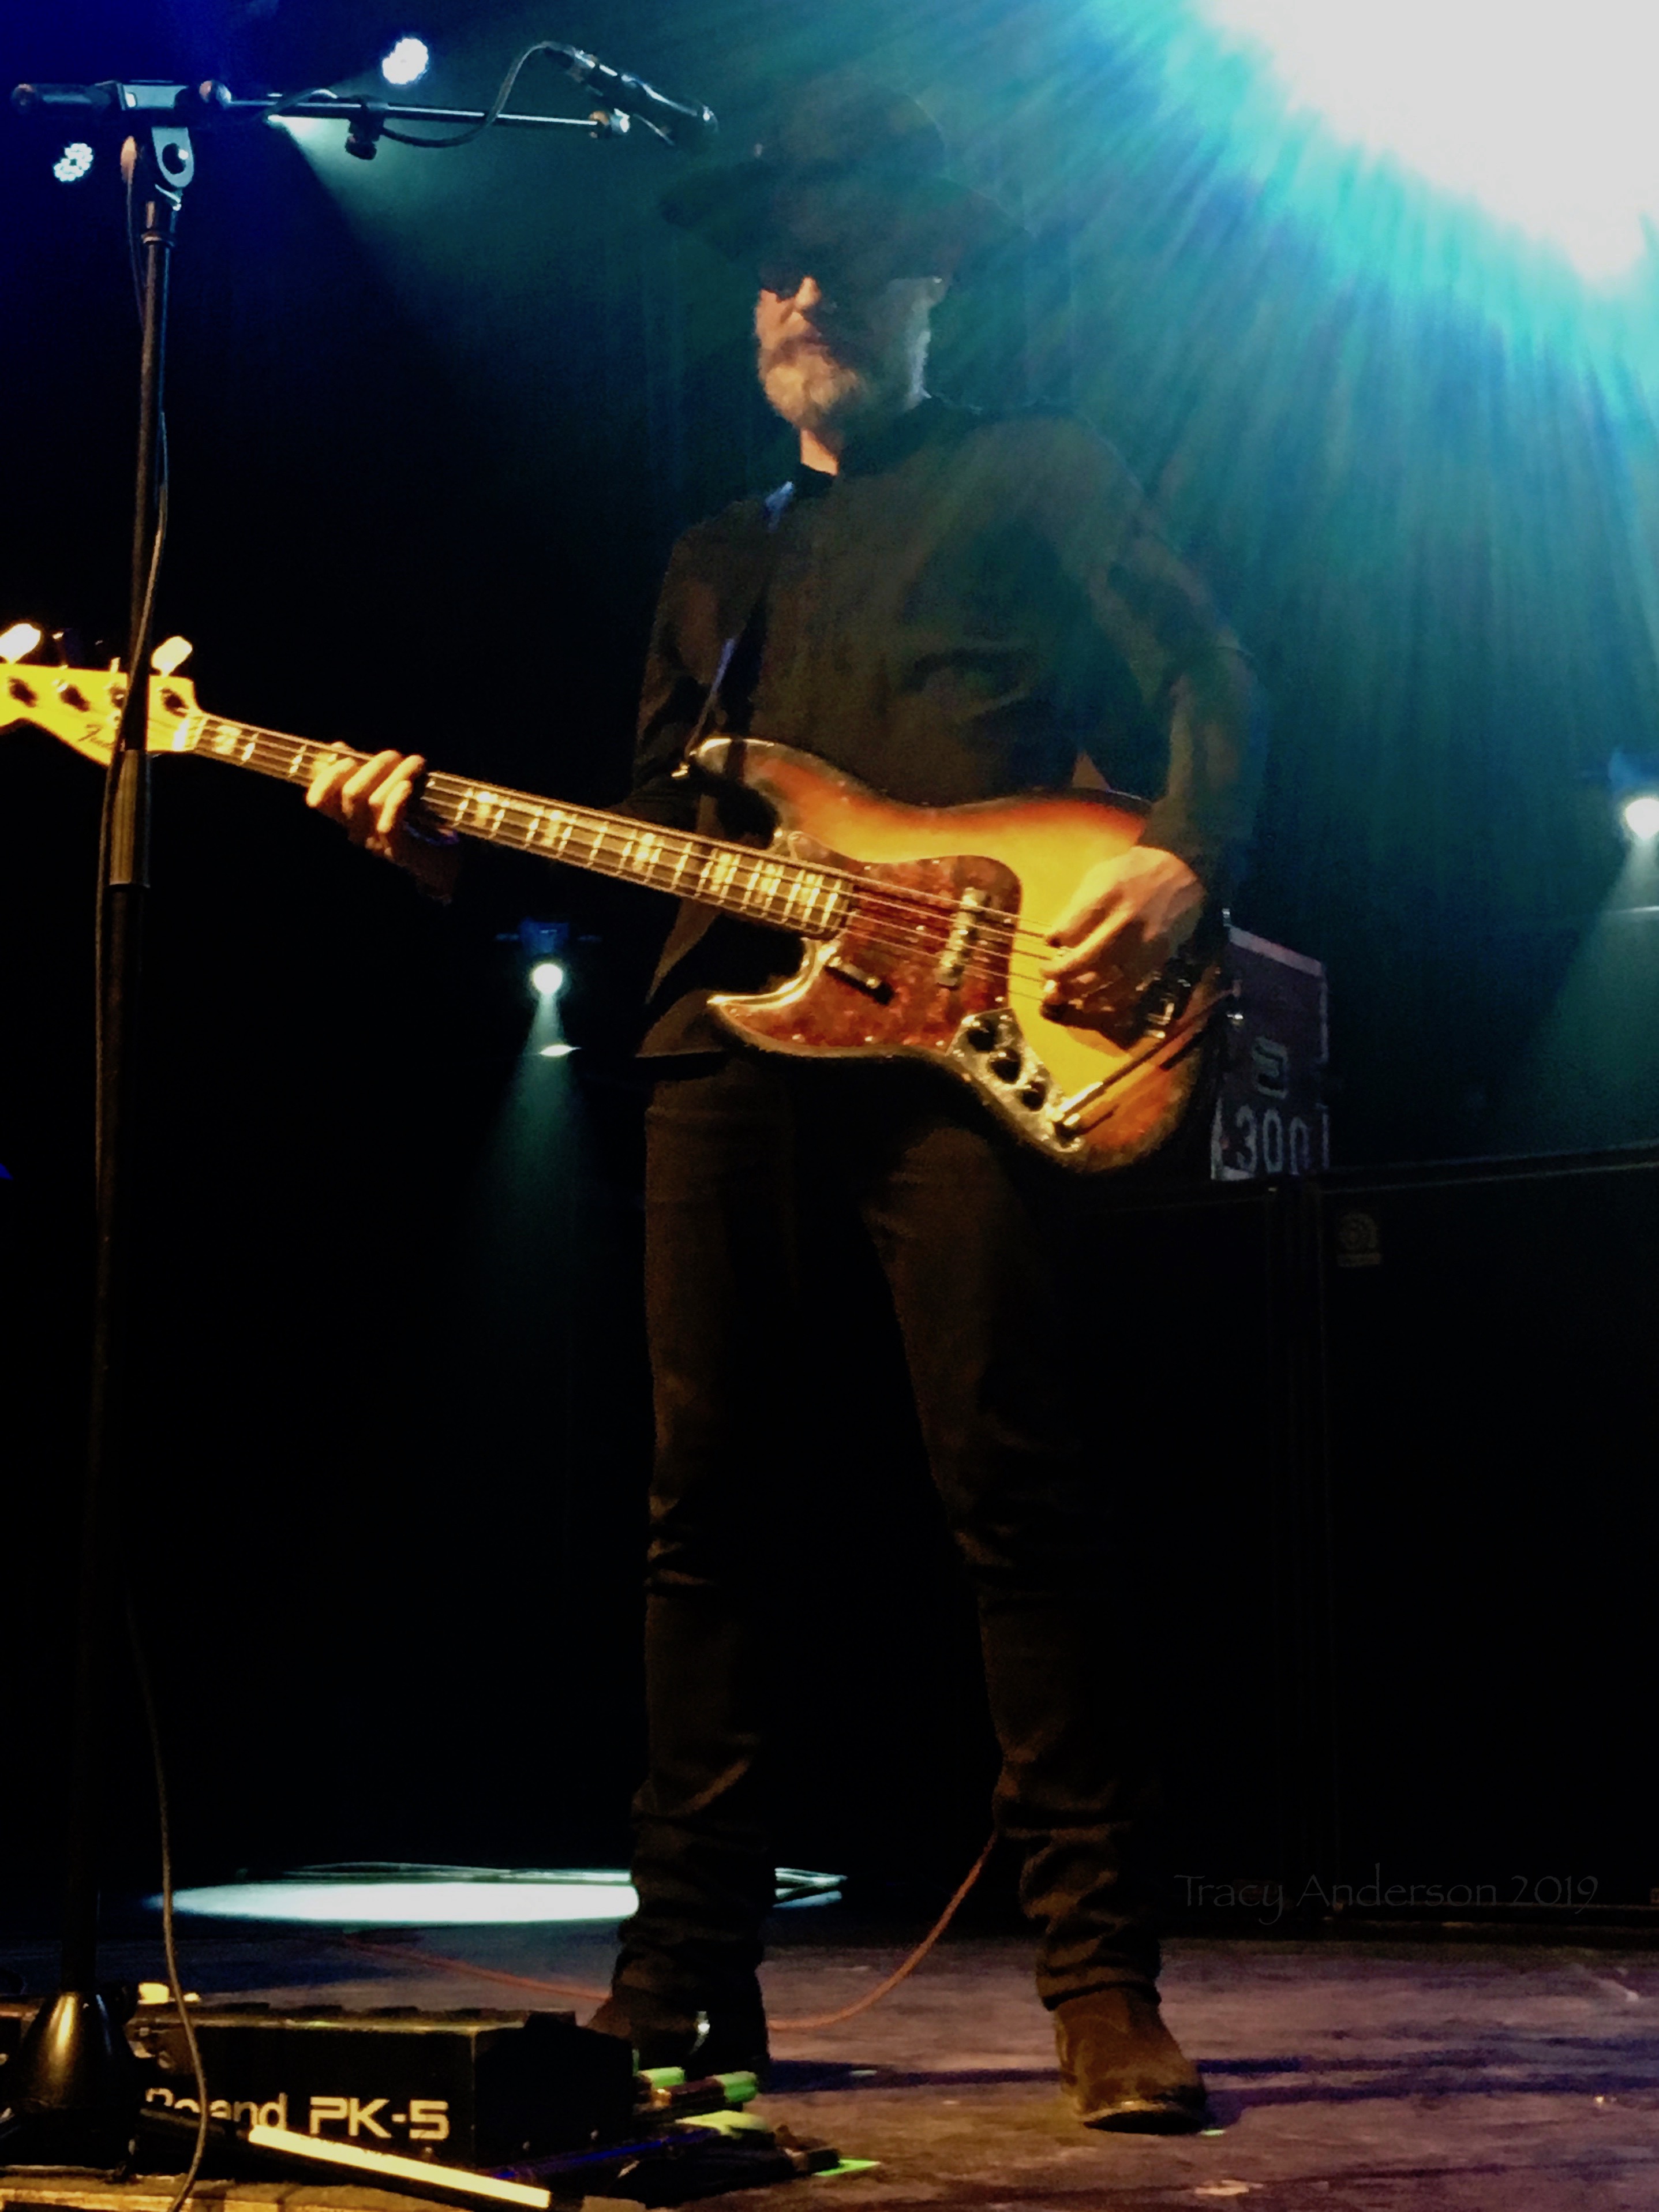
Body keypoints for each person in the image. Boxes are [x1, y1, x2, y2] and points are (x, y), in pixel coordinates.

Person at [309, 79, 1261, 2132]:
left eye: (841, 258)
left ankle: (1101, 1980)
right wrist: (446, 849)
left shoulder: (1035, 465)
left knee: (1009, 1483)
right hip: (721, 1050)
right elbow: (660, 847)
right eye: (774, 268)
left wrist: (1183, 859)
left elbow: (1215, 675)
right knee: (700, 1512)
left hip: (976, 1032)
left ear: (931, 283)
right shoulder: (710, 559)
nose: (799, 293)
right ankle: (684, 1981)